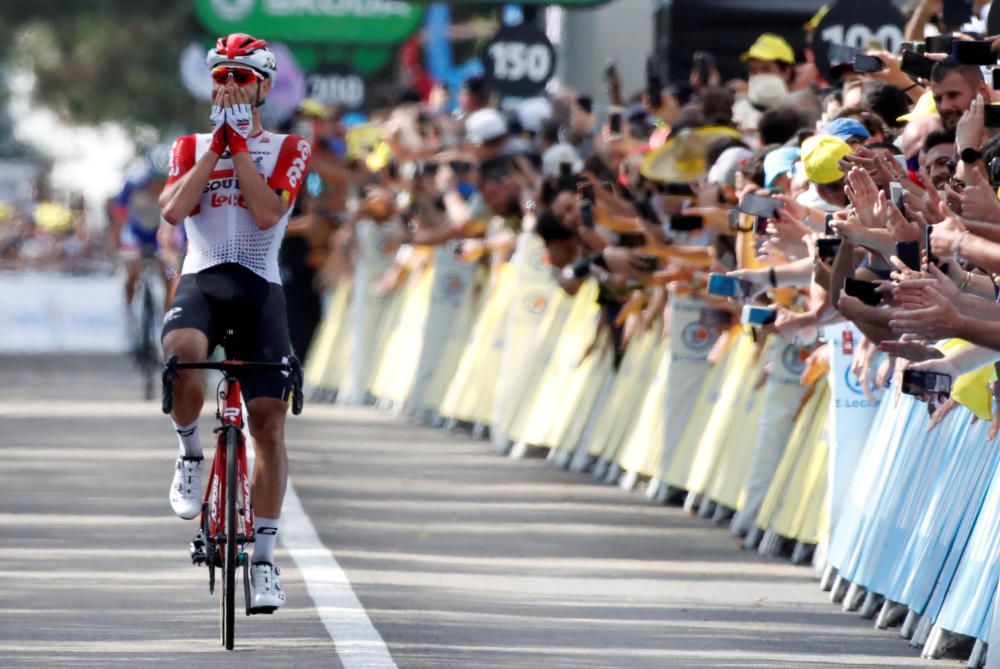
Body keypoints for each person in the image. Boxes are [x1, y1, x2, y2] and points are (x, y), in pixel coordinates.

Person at [158, 33, 311, 612]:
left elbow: (269, 211)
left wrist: (242, 149)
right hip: (203, 280)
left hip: (259, 289)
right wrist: (214, 151)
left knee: (267, 422)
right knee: (181, 354)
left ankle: (266, 561)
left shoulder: (289, 147)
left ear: (264, 87)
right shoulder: (189, 145)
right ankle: (190, 452)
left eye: (241, 77)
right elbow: (174, 211)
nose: (229, 86)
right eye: (221, 75)